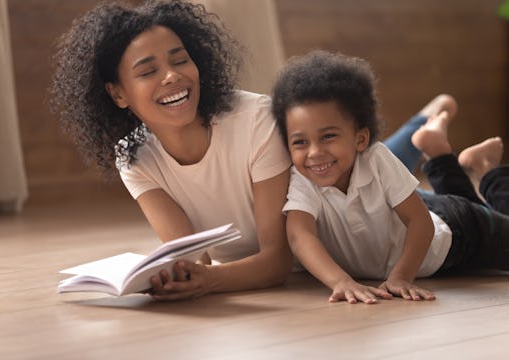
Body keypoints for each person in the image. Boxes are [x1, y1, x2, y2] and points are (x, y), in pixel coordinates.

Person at [49, 0, 446, 301]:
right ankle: (423, 129)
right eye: (148, 70)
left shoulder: (255, 119)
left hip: (350, 214)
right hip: (330, 200)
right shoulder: (133, 156)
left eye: (180, 59)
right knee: (355, 152)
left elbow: (276, 262)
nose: (172, 75)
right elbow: (192, 258)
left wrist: (211, 282)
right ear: (118, 94)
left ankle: (426, 134)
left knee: (372, 164)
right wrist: (177, 279)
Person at [271, 49, 509, 305]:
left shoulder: (376, 158)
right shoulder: (302, 179)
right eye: (300, 142)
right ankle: (441, 155)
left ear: (360, 139)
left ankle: (487, 170)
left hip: (459, 233)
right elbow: (300, 235)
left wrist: (401, 276)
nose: (314, 152)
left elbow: (419, 221)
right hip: (416, 212)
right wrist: (340, 282)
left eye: (328, 136)